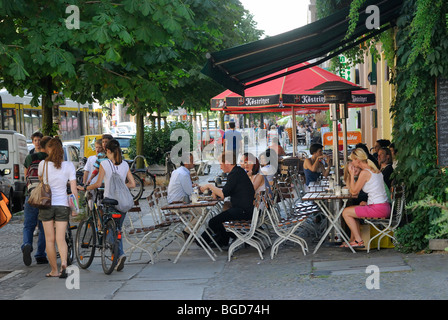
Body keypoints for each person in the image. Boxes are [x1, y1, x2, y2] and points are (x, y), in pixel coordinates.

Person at [81, 139, 136, 271]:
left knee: (109, 232)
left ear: (108, 151)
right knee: (117, 229)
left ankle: (120, 254)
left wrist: (86, 188)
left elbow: (98, 184)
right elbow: (133, 184)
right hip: (122, 203)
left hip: (109, 201)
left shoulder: (104, 164)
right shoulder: (125, 165)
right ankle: (118, 257)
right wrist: (121, 188)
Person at [38, 137, 78, 278]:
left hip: (46, 204)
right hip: (62, 205)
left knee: (50, 239)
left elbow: (40, 181)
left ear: (48, 149)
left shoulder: (42, 164)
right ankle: (64, 265)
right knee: (61, 239)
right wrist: (74, 209)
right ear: (61, 150)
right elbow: (73, 189)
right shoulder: (69, 166)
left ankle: (54, 270)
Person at [200, 151, 255, 248]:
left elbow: (223, 193)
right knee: (219, 219)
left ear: (228, 162)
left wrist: (209, 186)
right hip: (245, 209)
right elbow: (224, 193)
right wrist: (215, 193)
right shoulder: (237, 172)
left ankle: (220, 240)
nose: (220, 166)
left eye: (221, 163)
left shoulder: (235, 174)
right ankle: (222, 240)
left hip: (243, 211)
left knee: (213, 222)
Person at [341, 148, 391, 249]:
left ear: (357, 160)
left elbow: (354, 192)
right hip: (384, 207)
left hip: (378, 209)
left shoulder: (365, 172)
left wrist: (351, 175)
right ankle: (354, 240)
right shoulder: (374, 169)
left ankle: (359, 241)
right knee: (352, 210)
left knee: (345, 212)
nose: (352, 163)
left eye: (353, 160)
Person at [21, 135, 52, 266]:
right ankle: (40, 255)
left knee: (28, 225)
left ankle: (27, 244)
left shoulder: (29, 158)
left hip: (32, 195)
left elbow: (25, 176)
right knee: (44, 227)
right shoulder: (49, 160)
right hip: (45, 196)